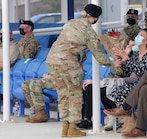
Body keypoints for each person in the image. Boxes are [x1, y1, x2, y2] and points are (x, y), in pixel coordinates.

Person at [46, 4, 113, 137]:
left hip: (52, 61)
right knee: (75, 95)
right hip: (69, 64)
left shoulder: (70, 23)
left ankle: (64, 128)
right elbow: (99, 56)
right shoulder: (89, 32)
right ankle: (72, 128)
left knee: (63, 94)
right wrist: (112, 63)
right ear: (95, 18)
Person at [78, 29, 147, 132]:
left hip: (145, 85)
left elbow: (141, 71)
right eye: (138, 35)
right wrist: (120, 62)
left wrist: (126, 57)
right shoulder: (135, 55)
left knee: (121, 90)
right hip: (134, 84)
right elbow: (126, 70)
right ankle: (125, 120)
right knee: (113, 90)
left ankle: (129, 120)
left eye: (141, 35)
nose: (138, 37)